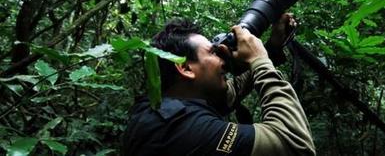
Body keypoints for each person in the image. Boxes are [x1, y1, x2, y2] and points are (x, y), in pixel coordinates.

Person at [122, 13, 315, 155]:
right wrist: (260, 60)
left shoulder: (163, 110)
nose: (223, 60)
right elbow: (295, 144)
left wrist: (271, 48)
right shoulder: (184, 131)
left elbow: (228, 95)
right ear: (186, 68)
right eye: (213, 53)